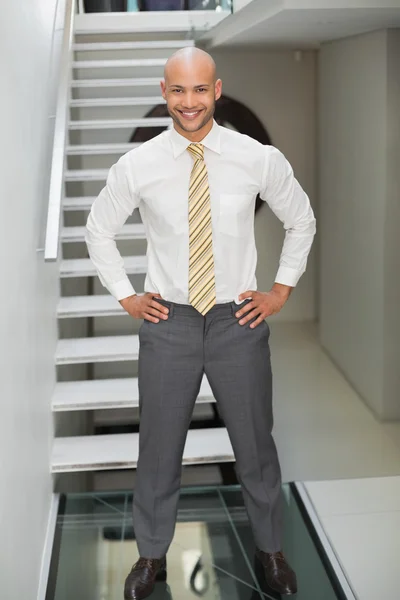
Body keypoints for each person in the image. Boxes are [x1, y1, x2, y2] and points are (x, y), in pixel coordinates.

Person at [85, 47, 316, 599]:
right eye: (178, 90)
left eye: (199, 89)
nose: (189, 102)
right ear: (165, 93)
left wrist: (280, 290)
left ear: (217, 90)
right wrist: (126, 297)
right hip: (170, 324)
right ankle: (151, 558)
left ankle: (270, 550)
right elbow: (98, 229)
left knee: (255, 447)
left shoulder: (255, 156)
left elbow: (300, 219)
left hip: (238, 320)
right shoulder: (138, 165)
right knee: (160, 448)